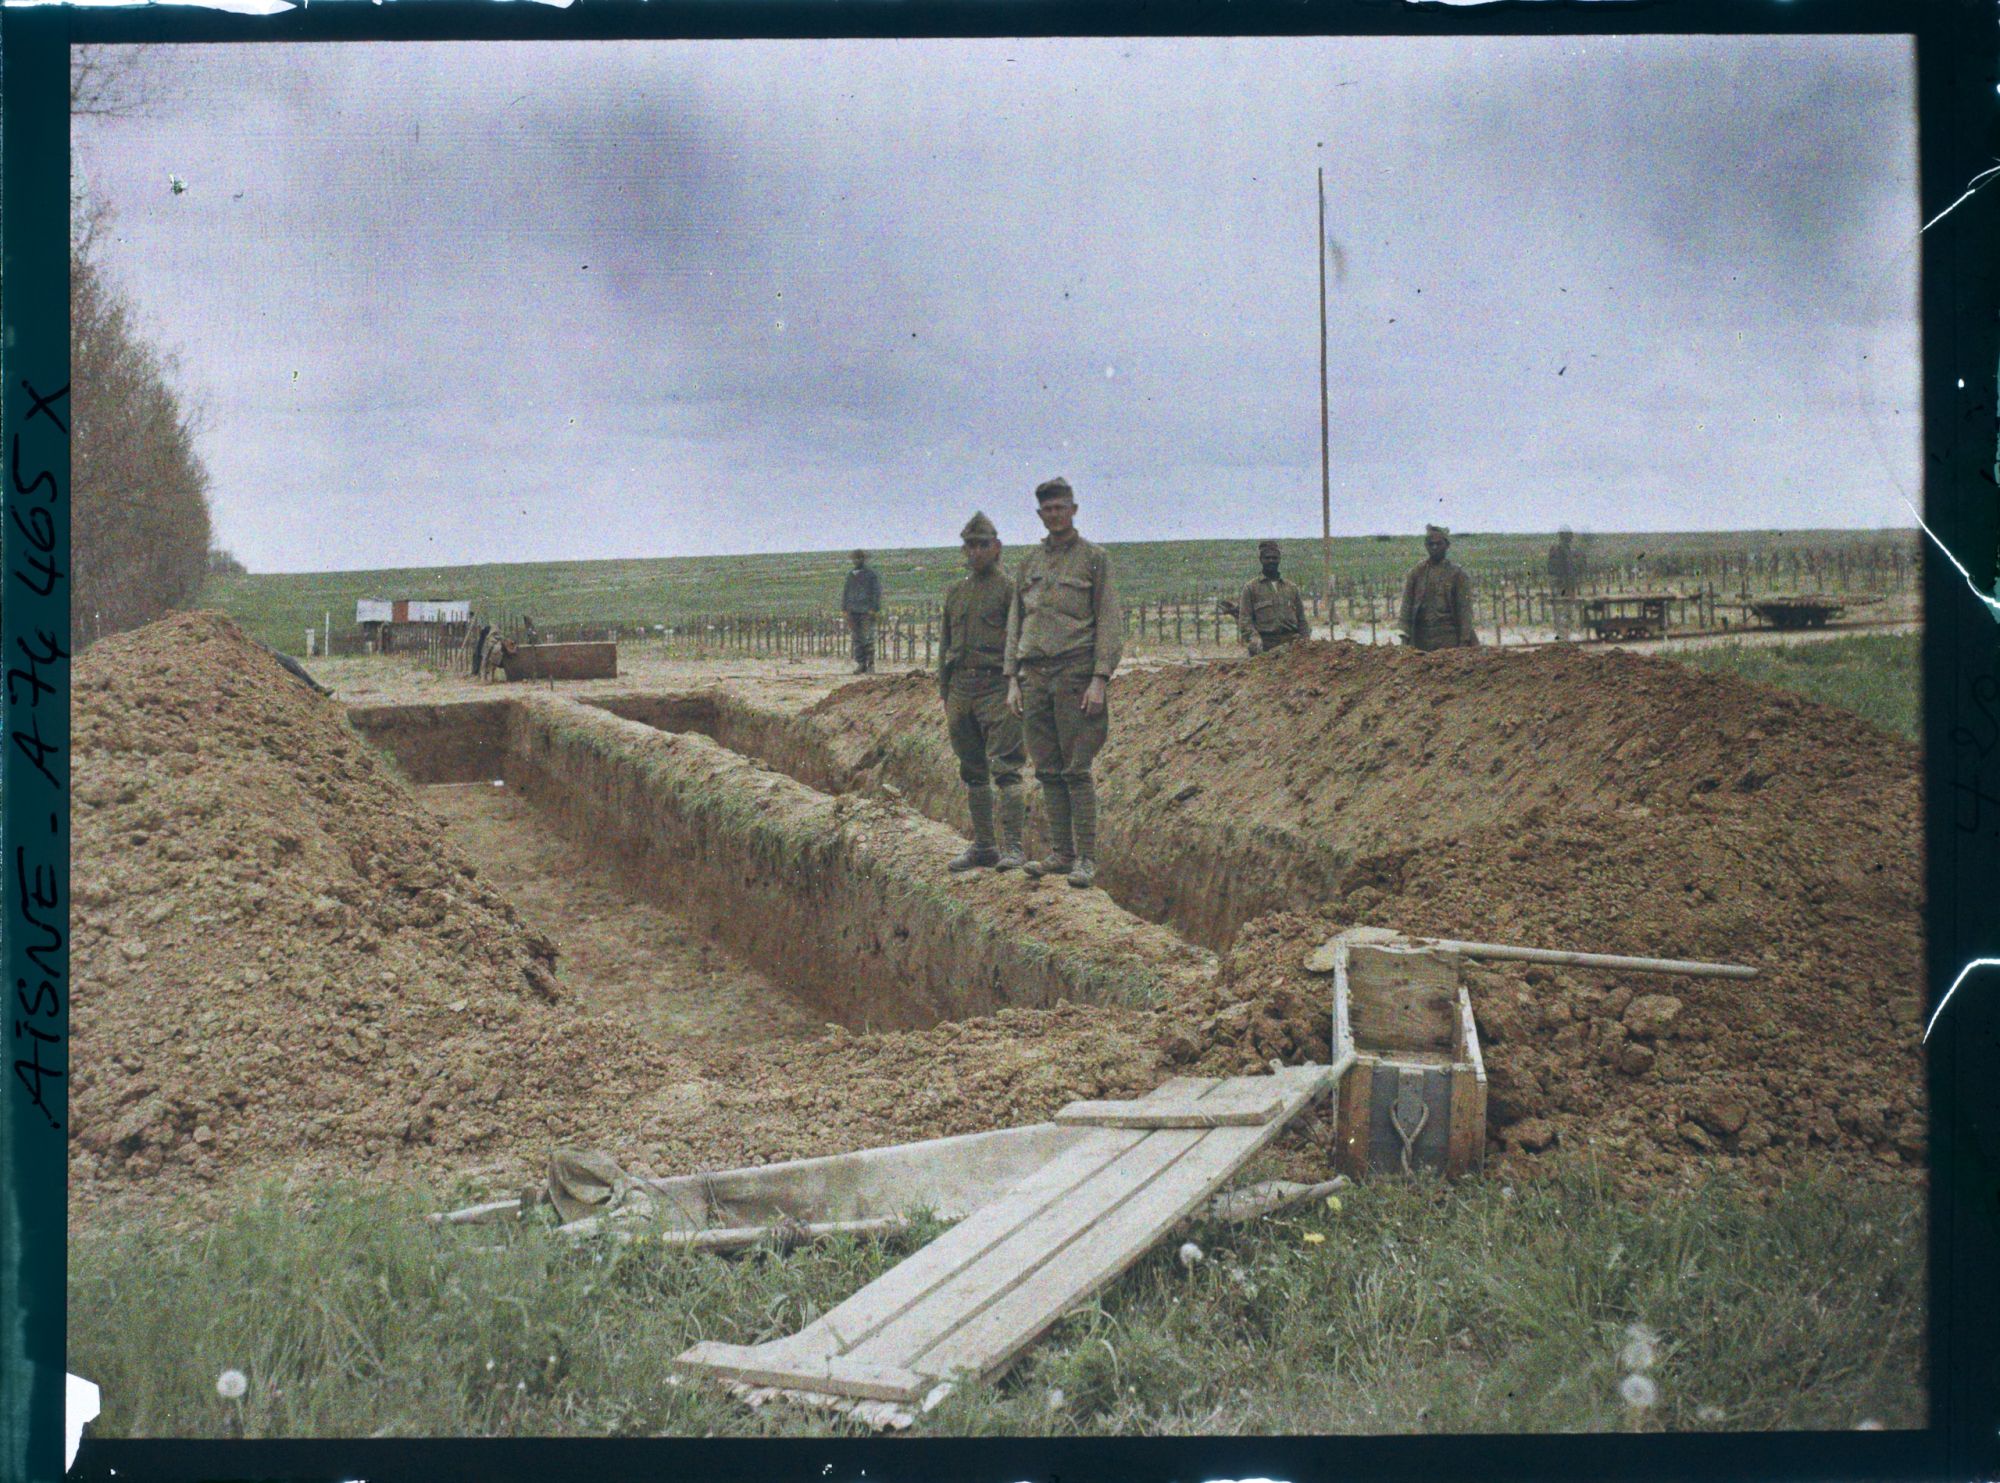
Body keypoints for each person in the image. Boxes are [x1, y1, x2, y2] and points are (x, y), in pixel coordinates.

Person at [1005, 477, 1122, 890]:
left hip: (1075, 675)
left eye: (1061, 508)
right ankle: (1061, 853)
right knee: (1048, 769)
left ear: (1074, 510)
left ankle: (1086, 859)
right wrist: (1012, 680)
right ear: (1040, 514)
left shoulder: (1094, 559)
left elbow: (1108, 619)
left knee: (1076, 769)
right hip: (1034, 676)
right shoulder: (1029, 564)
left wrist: (1100, 678)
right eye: (1047, 510)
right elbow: (1016, 622)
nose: (1055, 515)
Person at [938, 512, 1027, 872]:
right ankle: (985, 847)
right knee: (972, 771)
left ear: (997, 547)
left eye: (982, 545)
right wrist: (946, 691)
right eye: (969, 546)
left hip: (997, 687)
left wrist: (1017, 685)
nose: (975, 552)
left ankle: (1015, 849)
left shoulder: (1010, 591)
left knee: (1006, 770)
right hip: (961, 688)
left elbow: (1022, 643)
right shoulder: (956, 592)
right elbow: (945, 644)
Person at [1399, 524, 1480, 651]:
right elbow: (1406, 606)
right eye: (1431, 544)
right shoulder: (1416, 573)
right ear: (1426, 546)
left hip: (1448, 638)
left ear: (1447, 545)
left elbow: (1464, 610)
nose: (1434, 547)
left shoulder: (1457, 574)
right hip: (1422, 639)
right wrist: (1404, 635)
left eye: (1438, 544)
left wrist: (1464, 640)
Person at [1238, 540, 1309, 654]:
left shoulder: (1291, 587)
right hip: (1265, 645)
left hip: (1291, 645)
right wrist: (1254, 639)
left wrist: (1305, 640)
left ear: (1279, 559)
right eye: (1267, 558)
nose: (1271, 561)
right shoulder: (1251, 588)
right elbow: (1245, 621)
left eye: (1274, 558)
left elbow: (1302, 619)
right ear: (1261, 560)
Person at [842, 550, 882, 673]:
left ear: (863, 559)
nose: (857, 561)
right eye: (855, 558)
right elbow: (846, 592)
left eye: (859, 558)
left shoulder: (870, 574)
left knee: (868, 637)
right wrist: (844, 609)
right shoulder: (850, 575)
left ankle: (870, 664)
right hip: (852, 611)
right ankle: (861, 664)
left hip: (866, 611)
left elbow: (876, 592)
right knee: (857, 638)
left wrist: (873, 609)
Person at [1548, 527, 1581, 640]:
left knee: (1567, 609)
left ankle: (1565, 635)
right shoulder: (1558, 550)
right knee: (1563, 609)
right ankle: (1563, 636)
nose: (1571, 538)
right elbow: (1556, 569)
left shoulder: (1566, 549)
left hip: (1567, 585)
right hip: (1562, 585)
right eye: (1569, 536)